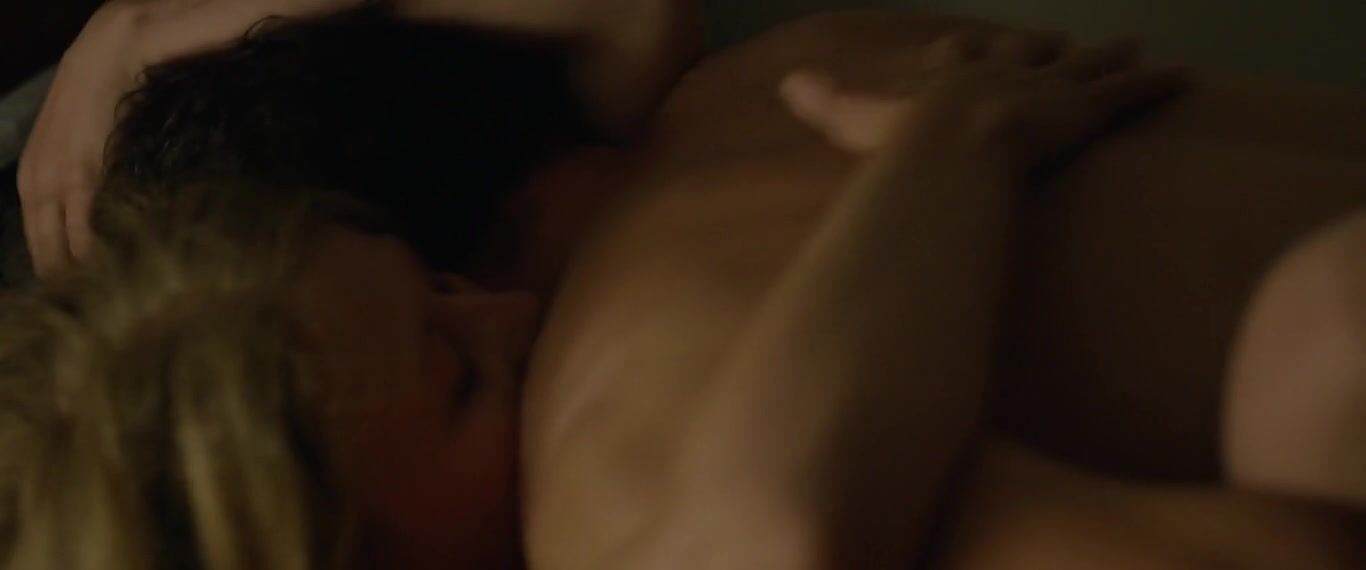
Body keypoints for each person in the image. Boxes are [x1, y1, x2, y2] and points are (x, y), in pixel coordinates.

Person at [5, 1, 1365, 569]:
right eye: (458, 372)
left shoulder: (616, 438)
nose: (512, 322)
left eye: (443, 289)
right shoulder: (788, 68)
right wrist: (141, 27)